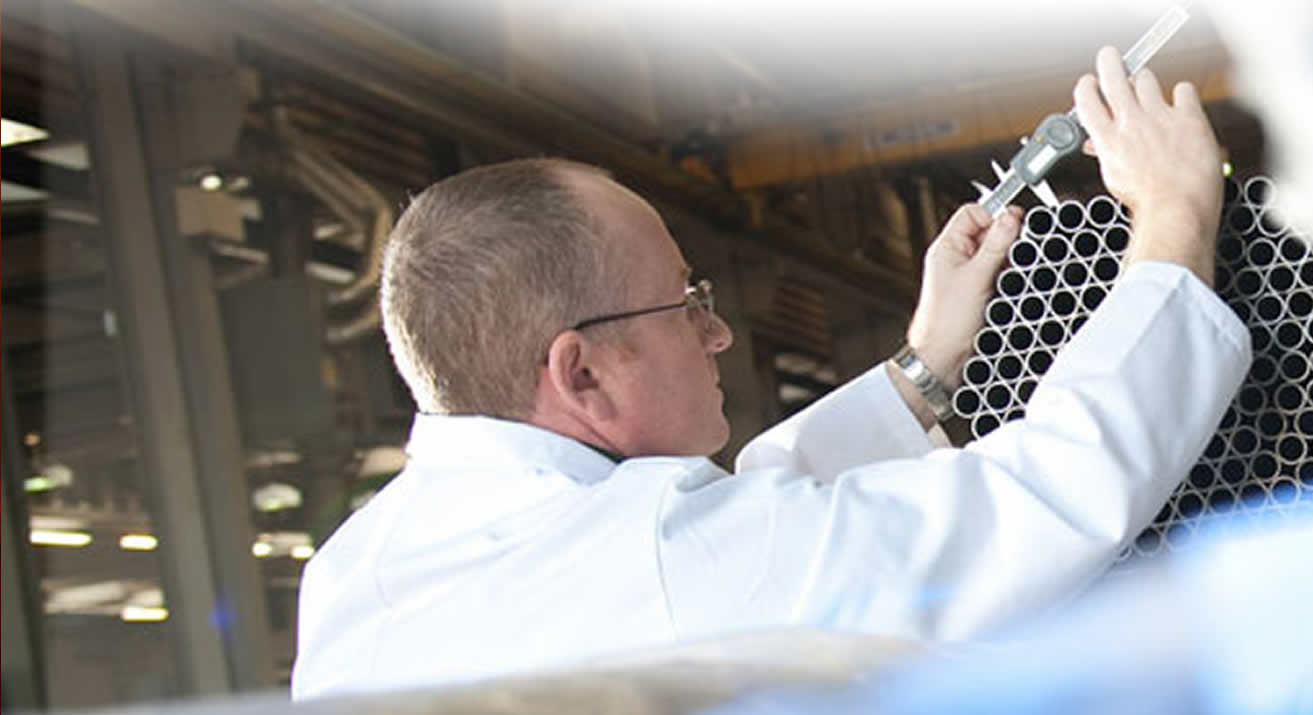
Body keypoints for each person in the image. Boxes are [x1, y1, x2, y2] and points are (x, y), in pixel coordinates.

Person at [292, 48, 1248, 699]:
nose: (715, 333)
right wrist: (1173, 217)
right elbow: (1049, 493)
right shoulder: (659, 570)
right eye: (682, 303)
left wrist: (922, 368)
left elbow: (744, 528)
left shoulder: (355, 571)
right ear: (579, 373)